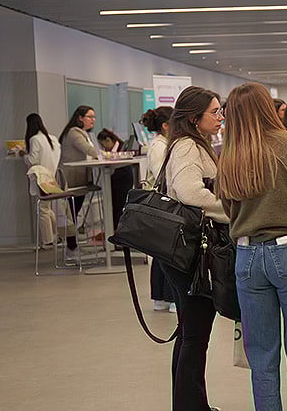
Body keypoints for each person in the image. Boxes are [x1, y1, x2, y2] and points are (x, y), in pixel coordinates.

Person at [217, 83, 287, 411]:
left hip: (247, 256)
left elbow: (228, 209)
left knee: (262, 356)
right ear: (268, 107)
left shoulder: (228, 155)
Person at [161, 85, 229, 411]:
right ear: (194, 118)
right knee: (196, 334)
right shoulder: (188, 147)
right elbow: (189, 191)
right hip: (189, 253)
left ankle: (188, 404)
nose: (220, 117)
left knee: (190, 332)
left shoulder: (190, 144)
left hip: (183, 253)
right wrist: (229, 210)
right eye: (214, 112)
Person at [141, 106, 177, 313]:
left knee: (163, 253)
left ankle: (163, 297)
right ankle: (168, 297)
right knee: (167, 253)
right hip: (163, 204)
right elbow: (162, 176)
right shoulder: (158, 146)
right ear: (165, 125)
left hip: (165, 203)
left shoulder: (164, 144)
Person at [58, 105, 98, 258]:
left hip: (79, 179)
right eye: (90, 117)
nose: (93, 120)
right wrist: (105, 155)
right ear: (80, 118)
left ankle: (72, 246)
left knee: (74, 212)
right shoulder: (74, 133)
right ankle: (71, 247)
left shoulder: (83, 133)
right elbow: (89, 150)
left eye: (94, 117)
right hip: (72, 180)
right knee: (71, 213)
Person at [24, 113, 61, 248]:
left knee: (43, 209)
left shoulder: (35, 139)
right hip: (52, 175)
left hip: (41, 176)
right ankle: (55, 235)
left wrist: (24, 155)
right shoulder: (53, 138)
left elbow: (32, 159)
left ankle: (48, 240)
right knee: (47, 207)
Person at [95, 128, 137, 233]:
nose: (104, 147)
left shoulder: (122, 148)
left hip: (122, 179)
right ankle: (113, 231)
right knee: (114, 207)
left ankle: (117, 232)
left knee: (118, 207)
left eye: (103, 144)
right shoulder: (119, 147)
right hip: (116, 179)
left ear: (108, 140)